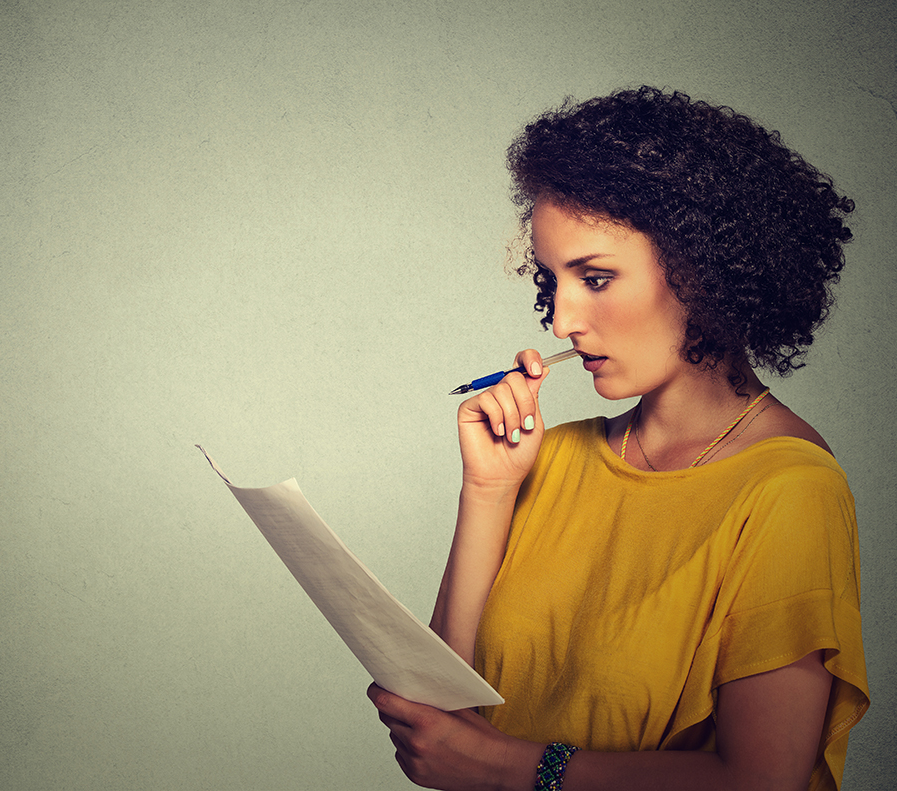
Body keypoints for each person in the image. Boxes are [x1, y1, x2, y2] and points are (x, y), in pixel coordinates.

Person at [368, 87, 868, 791]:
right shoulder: (551, 457)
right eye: (552, 279)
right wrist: (488, 490)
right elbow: (439, 726)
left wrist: (511, 767)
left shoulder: (788, 490)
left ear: (702, 270)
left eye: (596, 278)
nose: (563, 320)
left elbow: (761, 782)